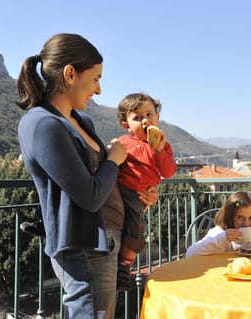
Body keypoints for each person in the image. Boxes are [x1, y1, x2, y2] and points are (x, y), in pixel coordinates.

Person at [15, 33, 158, 318]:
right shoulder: (42, 124)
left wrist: (140, 193)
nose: (99, 90)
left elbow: (102, 180)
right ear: (70, 74)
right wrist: (114, 161)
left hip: (107, 241)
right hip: (85, 246)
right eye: (95, 79)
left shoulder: (81, 120)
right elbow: (90, 196)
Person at [115, 92, 177, 290]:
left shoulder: (163, 146)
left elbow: (168, 172)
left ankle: (124, 266)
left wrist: (159, 150)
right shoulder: (123, 142)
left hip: (138, 197)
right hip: (118, 190)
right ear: (126, 124)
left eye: (150, 114)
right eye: (137, 117)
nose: (145, 120)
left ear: (157, 118)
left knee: (137, 229)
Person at [186, 191, 251, 257]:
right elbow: (190, 253)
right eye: (240, 217)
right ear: (230, 217)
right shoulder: (219, 233)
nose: (247, 224)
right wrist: (224, 238)